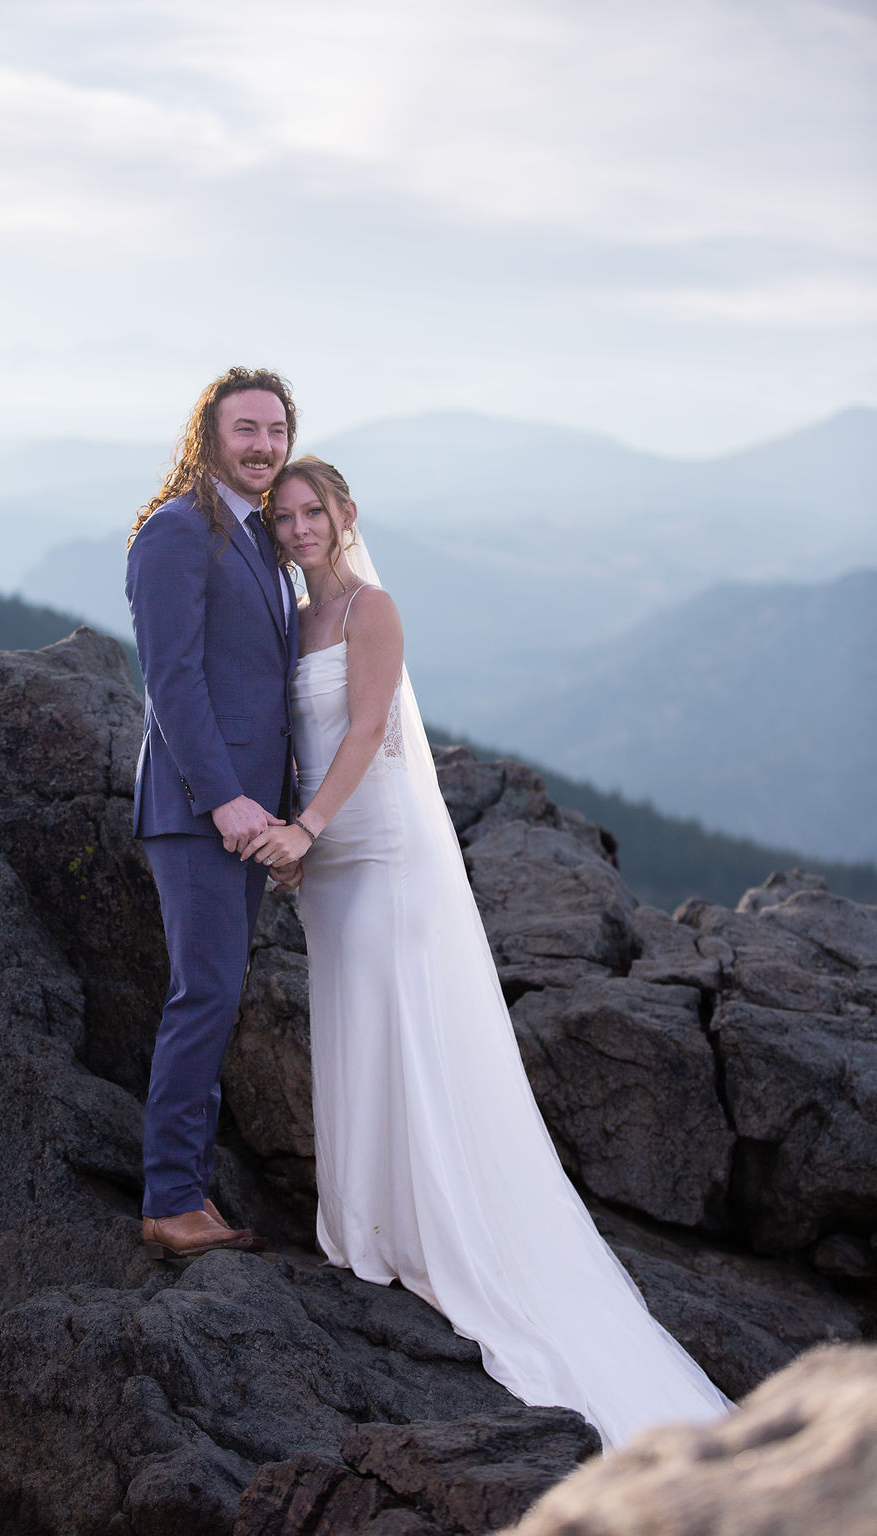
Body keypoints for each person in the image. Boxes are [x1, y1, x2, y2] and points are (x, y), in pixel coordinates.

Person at [243, 455, 732, 1452]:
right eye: (282, 515)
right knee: (351, 1015)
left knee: (404, 1020)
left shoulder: (370, 610)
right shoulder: (290, 622)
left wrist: (312, 827)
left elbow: (371, 725)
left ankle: (437, 1226)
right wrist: (295, 841)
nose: (296, 529)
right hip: (326, 859)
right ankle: (371, 1222)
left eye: (311, 511)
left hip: (379, 842)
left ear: (344, 514)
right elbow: (296, 736)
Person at [125, 366, 302, 1263]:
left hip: (251, 815)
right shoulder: (176, 531)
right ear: (209, 436)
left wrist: (288, 818)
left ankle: (187, 1182)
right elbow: (173, 681)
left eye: (276, 430)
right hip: (199, 812)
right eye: (246, 430)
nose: (264, 445)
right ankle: (170, 1201)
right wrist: (226, 800)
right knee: (207, 993)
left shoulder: (261, 539)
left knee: (218, 992)